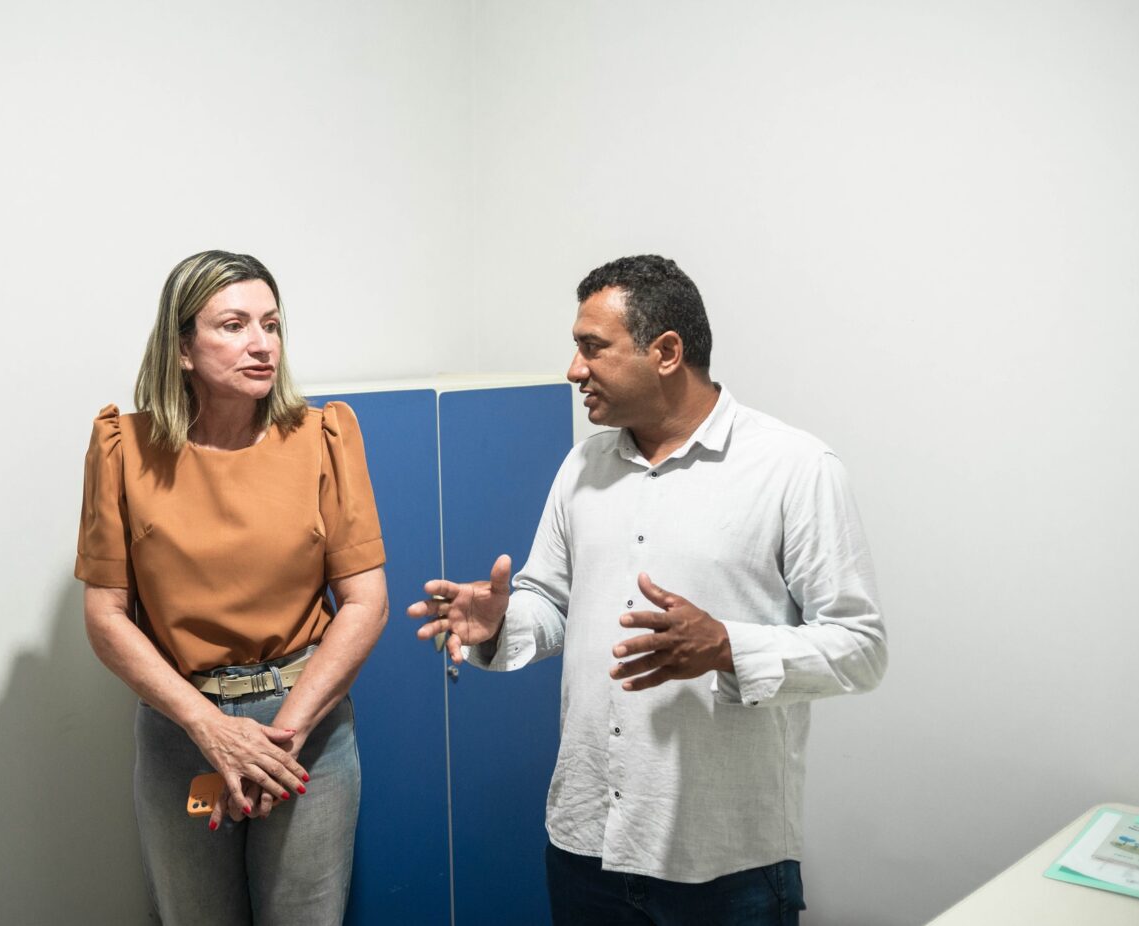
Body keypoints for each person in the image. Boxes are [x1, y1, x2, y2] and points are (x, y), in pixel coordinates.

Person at [408, 254, 887, 925]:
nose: (574, 370)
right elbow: (552, 604)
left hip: (726, 864)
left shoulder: (794, 468)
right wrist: (503, 623)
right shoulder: (583, 466)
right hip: (586, 847)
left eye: (592, 347)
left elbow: (860, 648)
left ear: (665, 352)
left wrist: (726, 648)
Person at [76, 250, 388, 925]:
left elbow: (366, 602)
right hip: (181, 730)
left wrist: (282, 740)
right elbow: (105, 617)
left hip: (305, 728)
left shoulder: (323, 438)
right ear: (182, 348)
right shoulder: (123, 449)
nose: (262, 343)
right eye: (234, 325)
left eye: (271, 324)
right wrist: (209, 727)